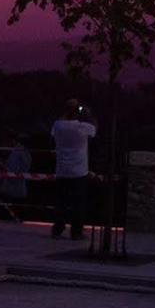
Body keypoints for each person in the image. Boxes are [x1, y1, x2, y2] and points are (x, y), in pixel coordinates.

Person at [50, 101, 97, 242]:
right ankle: (76, 232)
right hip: (79, 171)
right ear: (78, 112)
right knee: (78, 204)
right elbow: (94, 129)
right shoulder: (82, 127)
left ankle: (57, 229)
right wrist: (88, 114)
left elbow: (53, 132)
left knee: (61, 202)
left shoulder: (58, 125)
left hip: (62, 170)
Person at [0, 133, 31, 222]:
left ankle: (13, 217)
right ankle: (10, 217)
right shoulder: (18, 151)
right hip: (12, 179)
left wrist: (7, 168)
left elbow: (21, 166)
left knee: (12, 201)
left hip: (15, 180)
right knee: (9, 200)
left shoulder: (20, 151)